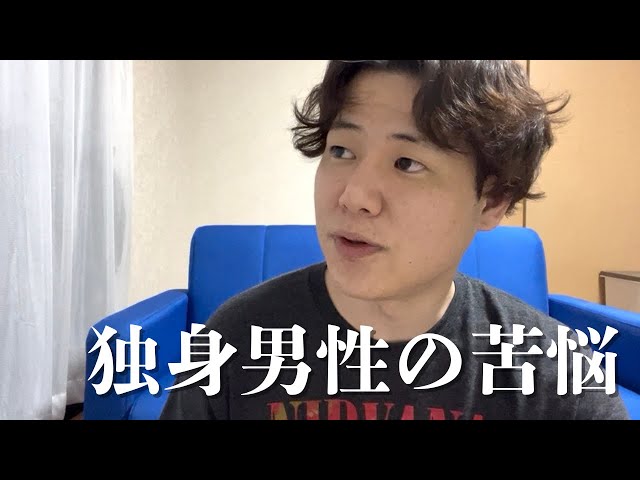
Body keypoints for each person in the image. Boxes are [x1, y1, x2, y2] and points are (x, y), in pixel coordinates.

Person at [160, 60, 629, 420]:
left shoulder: (555, 377)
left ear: (491, 201)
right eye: (341, 151)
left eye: (407, 163)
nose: (353, 196)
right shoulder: (236, 341)